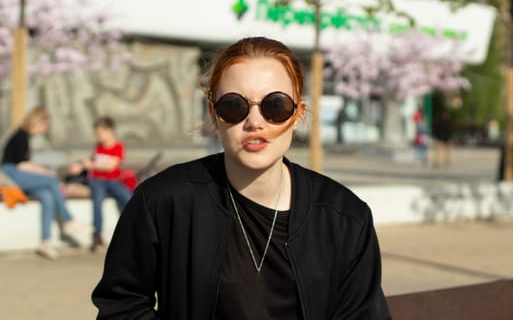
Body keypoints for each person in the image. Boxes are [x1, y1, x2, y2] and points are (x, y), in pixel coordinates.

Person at [92, 37, 391, 319]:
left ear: (297, 114)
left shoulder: (345, 218)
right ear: (214, 114)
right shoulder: (162, 201)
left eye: (276, 105)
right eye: (233, 106)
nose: (255, 122)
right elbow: (121, 305)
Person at [1, 106, 86, 259]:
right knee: (52, 180)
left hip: (16, 175)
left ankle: (45, 241)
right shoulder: (20, 136)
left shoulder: (25, 137)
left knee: (47, 195)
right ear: (36, 122)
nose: (44, 129)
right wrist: (46, 172)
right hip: (10, 174)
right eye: (44, 125)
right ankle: (68, 220)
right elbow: (22, 164)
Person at [69, 116, 132, 252]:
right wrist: (80, 166)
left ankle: (132, 230)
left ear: (110, 131)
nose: (97, 136)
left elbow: (111, 166)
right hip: (97, 181)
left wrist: (89, 164)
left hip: (113, 180)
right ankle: (97, 234)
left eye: (99, 133)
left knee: (128, 198)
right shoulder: (98, 147)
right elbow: (92, 163)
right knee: (97, 201)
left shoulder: (118, 147)